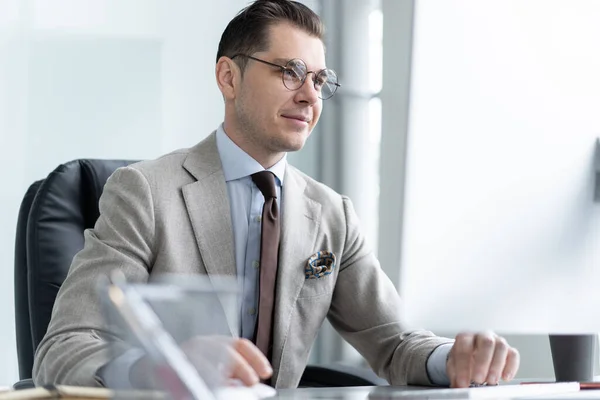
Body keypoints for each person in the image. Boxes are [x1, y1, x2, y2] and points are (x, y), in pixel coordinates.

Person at [33, 0, 519, 390]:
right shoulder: (145, 194)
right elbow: (64, 349)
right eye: (290, 72)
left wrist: (449, 358)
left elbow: (393, 343)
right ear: (229, 77)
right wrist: (166, 367)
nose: (310, 96)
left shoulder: (332, 215)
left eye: (319, 80)